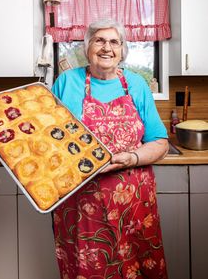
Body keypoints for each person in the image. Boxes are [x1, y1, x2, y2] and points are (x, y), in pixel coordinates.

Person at [51, 18, 169, 279]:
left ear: (122, 49)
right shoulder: (67, 82)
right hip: (81, 204)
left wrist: (132, 157)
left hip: (134, 204)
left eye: (114, 41)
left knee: (136, 267)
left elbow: (160, 142)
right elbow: (46, 135)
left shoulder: (136, 84)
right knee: (88, 269)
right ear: (87, 46)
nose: (107, 47)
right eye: (99, 40)